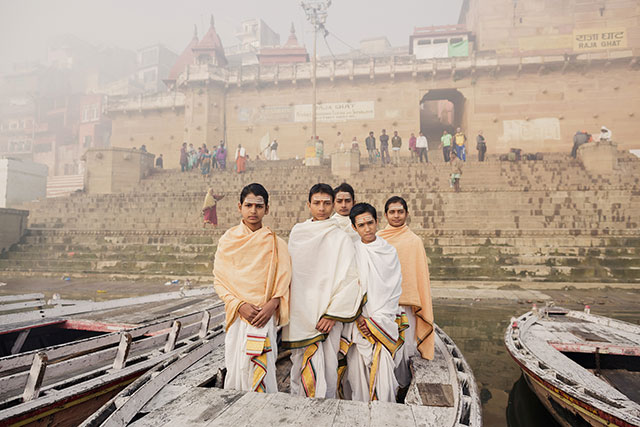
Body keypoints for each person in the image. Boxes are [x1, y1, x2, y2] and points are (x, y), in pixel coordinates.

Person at [282, 183, 364, 399]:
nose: (322, 208)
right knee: (299, 363)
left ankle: (324, 411)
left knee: (327, 365)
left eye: (327, 203)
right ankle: (297, 408)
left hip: (328, 314)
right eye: (317, 203)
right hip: (301, 312)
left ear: (332, 205)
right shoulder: (298, 233)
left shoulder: (341, 237)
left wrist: (332, 314)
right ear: (308, 204)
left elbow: (350, 279)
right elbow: (291, 275)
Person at [212, 183, 291, 393]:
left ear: (267, 209)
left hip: (264, 318)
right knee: (237, 369)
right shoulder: (228, 240)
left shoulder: (276, 243)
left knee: (262, 373)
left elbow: (284, 283)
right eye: (248, 205)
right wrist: (239, 306)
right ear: (239, 207)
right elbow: (220, 281)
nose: (253, 211)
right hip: (239, 316)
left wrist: (272, 305)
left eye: (258, 206)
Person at [343, 202, 406, 402]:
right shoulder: (351, 252)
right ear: (354, 227)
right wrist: (360, 317)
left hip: (383, 320)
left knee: (384, 374)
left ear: (377, 222)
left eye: (370, 223)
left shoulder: (389, 251)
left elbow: (394, 289)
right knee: (357, 374)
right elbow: (348, 287)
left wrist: (377, 322)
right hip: (358, 322)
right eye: (361, 225)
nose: (367, 228)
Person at [378, 196, 434, 389]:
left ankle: (402, 387)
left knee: (405, 348)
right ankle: (384, 387)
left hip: (406, 304)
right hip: (383, 303)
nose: (396, 215)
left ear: (406, 214)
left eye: (400, 211)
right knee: (384, 346)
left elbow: (419, 275)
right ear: (385, 215)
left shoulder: (414, 241)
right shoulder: (378, 239)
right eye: (392, 212)